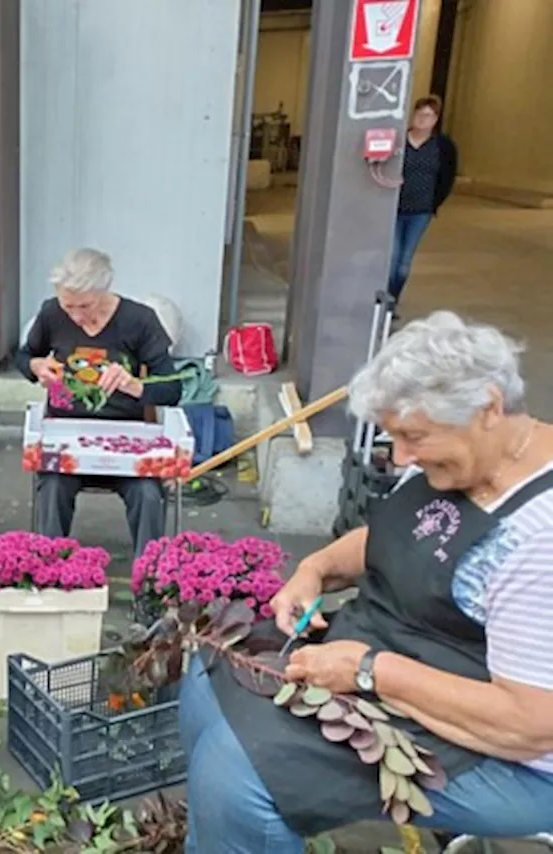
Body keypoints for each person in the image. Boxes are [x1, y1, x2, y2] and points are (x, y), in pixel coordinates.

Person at [180, 311, 553, 853]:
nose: (400, 456)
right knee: (211, 667)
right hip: (392, 656)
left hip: (505, 752)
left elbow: (531, 724)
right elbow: (403, 534)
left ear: (488, 408)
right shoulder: (457, 459)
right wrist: (316, 570)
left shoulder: (539, 537)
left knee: (239, 774)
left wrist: (366, 671)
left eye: (412, 437)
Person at [17, 248, 182, 559]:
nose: (77, 316)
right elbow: (23, 356)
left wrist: (135, 385)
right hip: (66, 438)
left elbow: (172, 389)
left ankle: (149, 587)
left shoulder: (140, 320)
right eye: (69, 306)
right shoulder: (52, 314)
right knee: (51, 487)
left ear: (104, 291)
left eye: (86, 306)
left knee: (148, 494)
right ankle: (49, 575)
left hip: (125, 441)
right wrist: (37, 366)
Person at [388, 95, 457, 305]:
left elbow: (448, 176)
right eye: (419, 114)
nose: (422, 120)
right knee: (392, 259)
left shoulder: (443, 146)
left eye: (428, 116)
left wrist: (435, 203)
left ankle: (393, 298)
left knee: (403, 263)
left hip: (420, 211)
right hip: (395, 209)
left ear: (435, 119)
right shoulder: (398, 140)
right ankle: (386, 304)